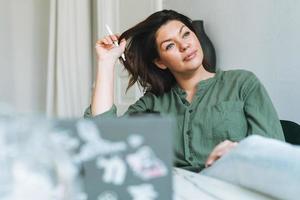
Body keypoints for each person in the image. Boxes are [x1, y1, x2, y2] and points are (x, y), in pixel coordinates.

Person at [84, 9, 285, 172]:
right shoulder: (153, 102)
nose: (184, 45)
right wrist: (106, 62)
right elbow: (103, 137)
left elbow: (274, 154)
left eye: (186, 34)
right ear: (160, 62)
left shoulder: (242, 83)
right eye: (170, 45)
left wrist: (239, 152)